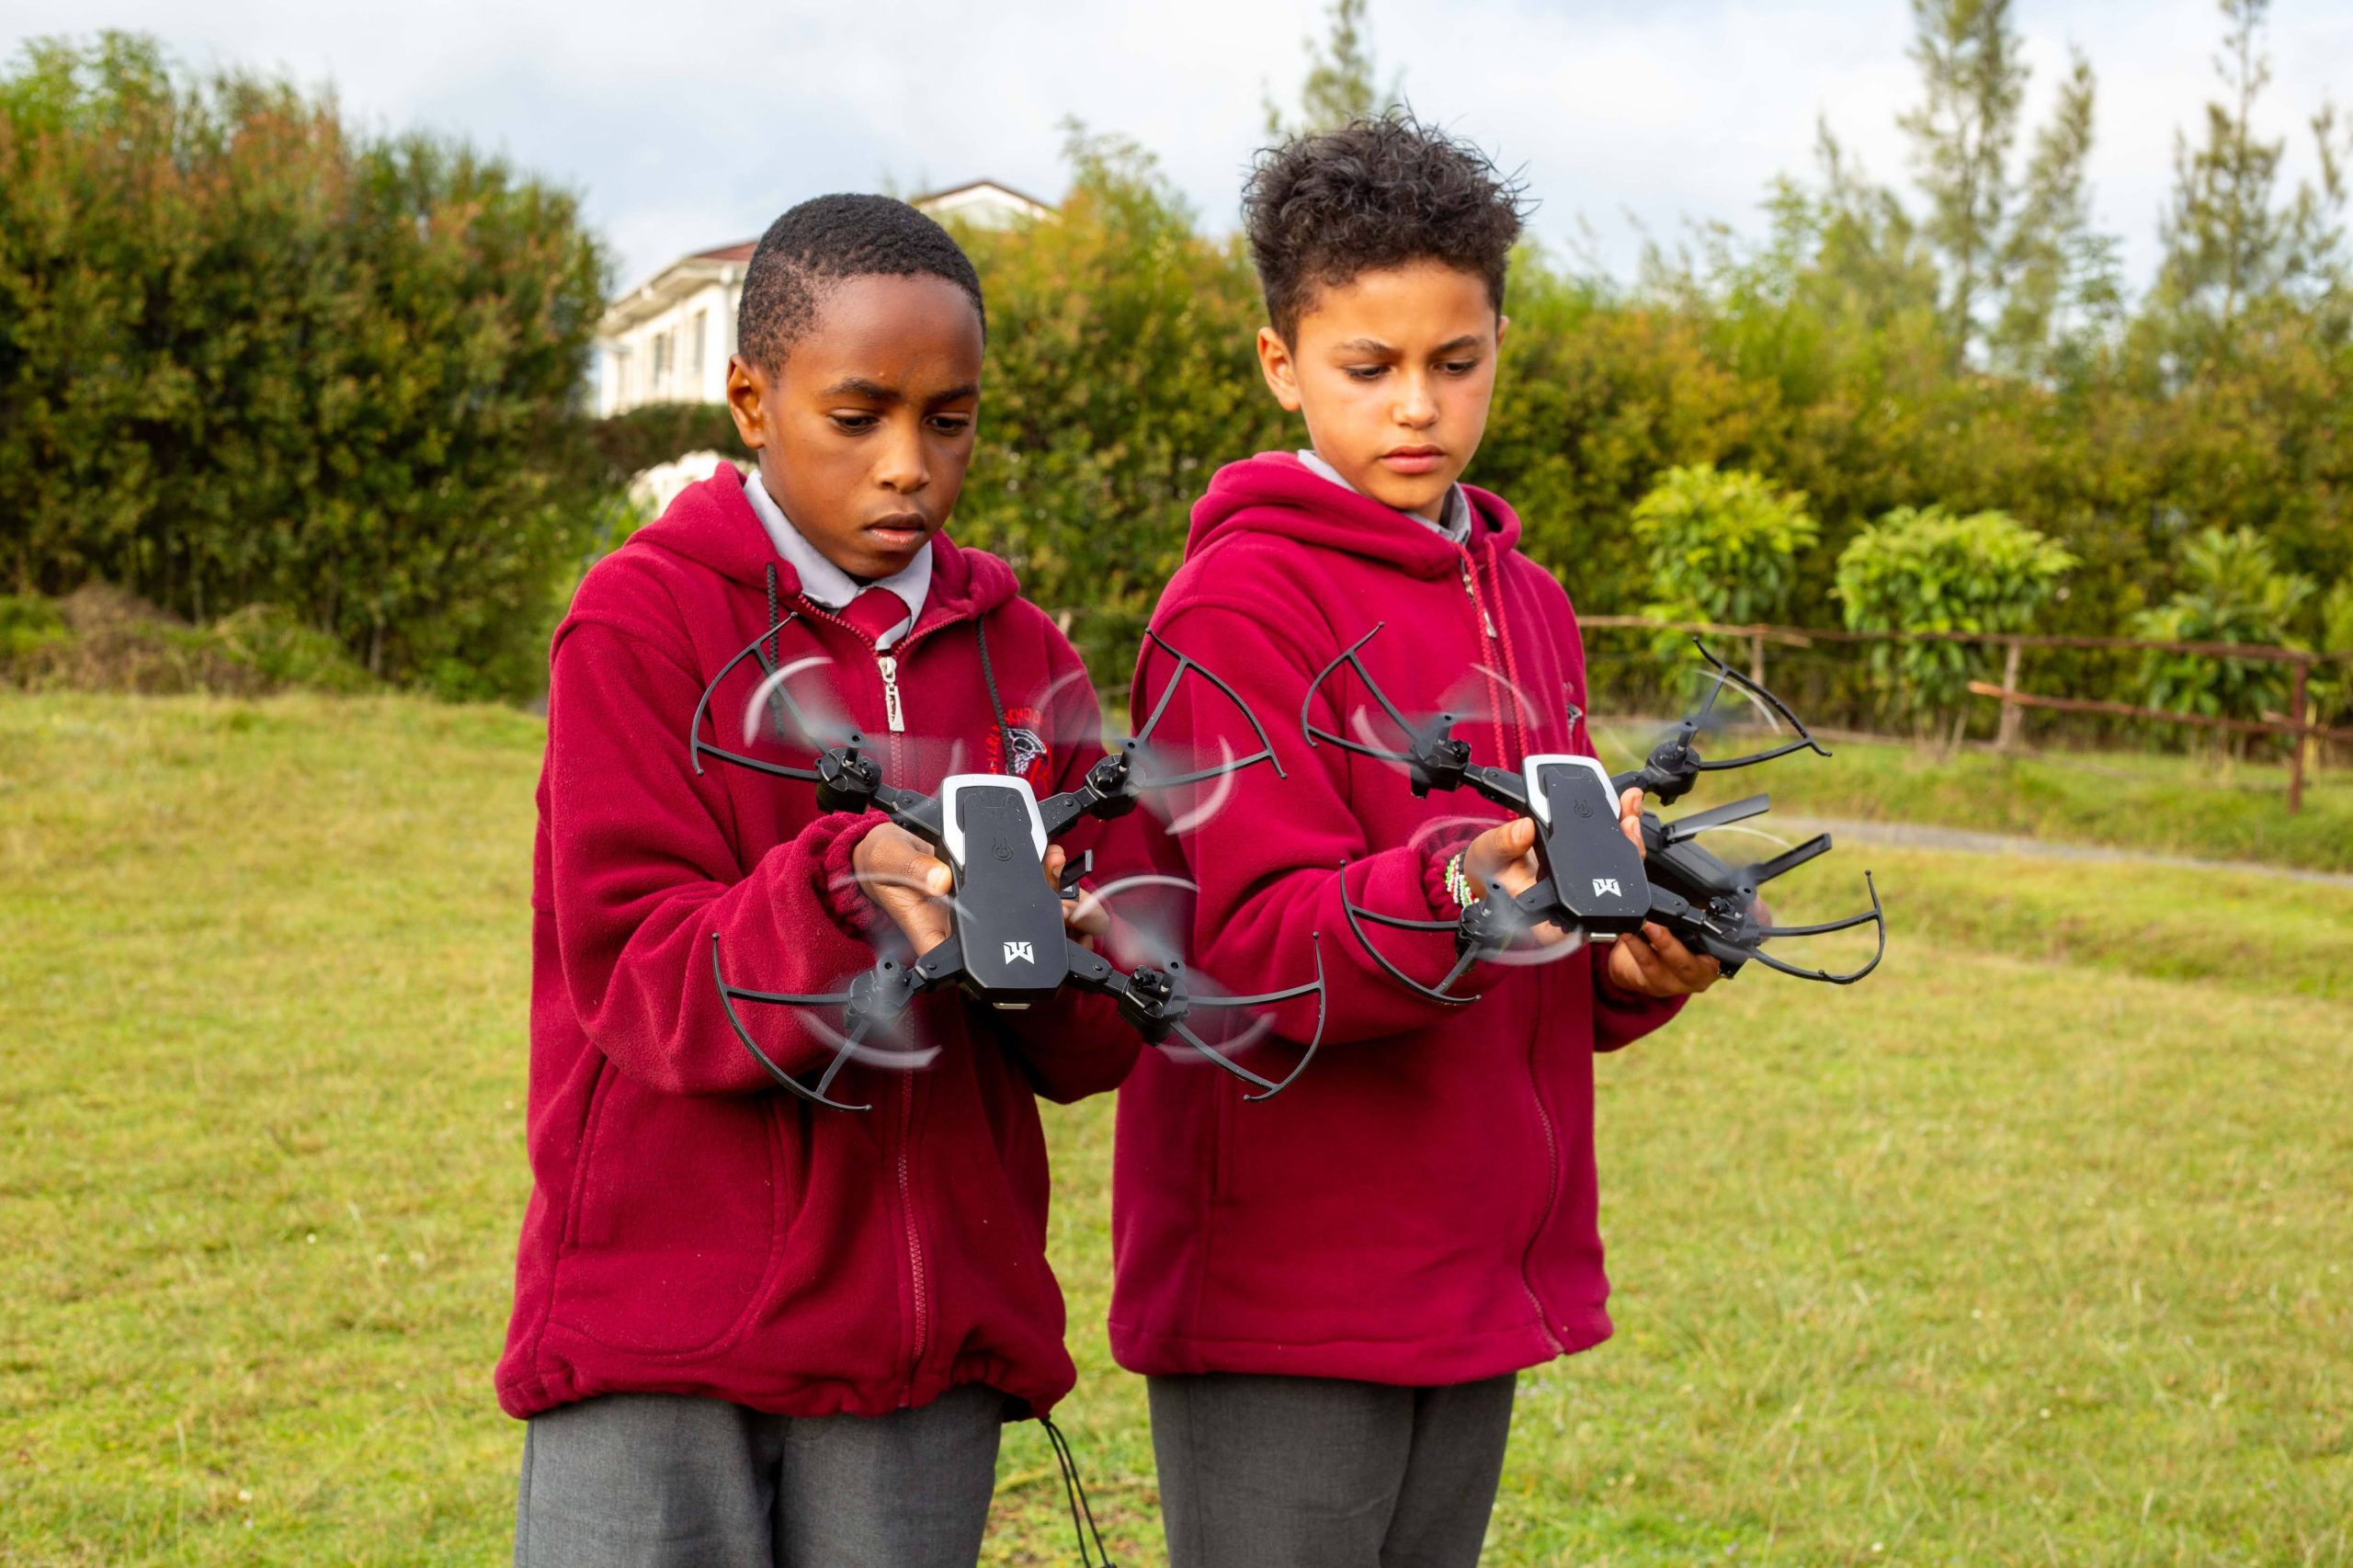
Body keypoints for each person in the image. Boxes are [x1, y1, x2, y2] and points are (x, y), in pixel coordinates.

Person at [1104, 115, 1722, 1568]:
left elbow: (1535, 948)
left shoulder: (1536, 603)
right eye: (1366, 368)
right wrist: (1455, 885)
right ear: (1282, 365)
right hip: (1290, 1284)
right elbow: (1241, 956)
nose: (1417, 408)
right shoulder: (1233, 608)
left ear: (1502, 340)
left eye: (1457, 362)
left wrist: (1632, 966)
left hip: (1472, 1268)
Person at [498, 193, 1131, 1568]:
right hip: (666, 1338)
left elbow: (1098, 1037)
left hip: (924, 1352)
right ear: (749, 400)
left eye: (949, 419)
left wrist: (1071, 944)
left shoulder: (1028, 659)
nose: (909, 465)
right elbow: (645, 982)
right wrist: (848, 887)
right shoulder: (638, 625)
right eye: (860, 417)